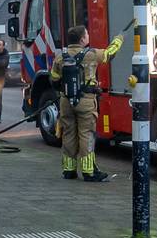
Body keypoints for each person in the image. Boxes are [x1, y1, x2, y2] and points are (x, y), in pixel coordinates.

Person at [50, 25, 122, 182]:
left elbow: (54, 80)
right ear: (82, 39)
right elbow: (110, 54)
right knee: (86, 134)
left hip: (65, 101)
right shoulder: (91, 54)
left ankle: (69, 170)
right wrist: (119, 39)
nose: (88, 36)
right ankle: (89, 171)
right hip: (86, 101)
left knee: (68, 133)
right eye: (87, 34)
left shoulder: (60, 57)